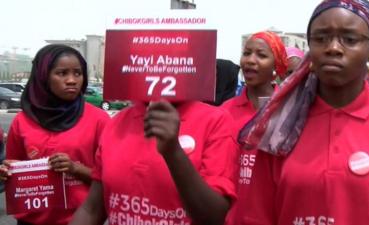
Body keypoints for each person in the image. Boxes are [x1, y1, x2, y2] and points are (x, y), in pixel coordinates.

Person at [238, 0, 369, 224]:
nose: (333, 47)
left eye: (350, 39)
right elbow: (258, 215)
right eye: (321, 38)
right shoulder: (280, 122)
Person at [69, 95, 239, 223]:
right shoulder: (118, 122)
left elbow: (214, 217)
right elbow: (92, 209)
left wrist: (173, 153)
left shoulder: (216, 121)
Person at [0, 44, 110, 225]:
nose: (72, 80)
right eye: (62, 73)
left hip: (81, 219)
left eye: (77, 73)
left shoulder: (99, 119)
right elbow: (14, 168)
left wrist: (75, 169)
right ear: (43, 77)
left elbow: (114, 179)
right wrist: (7, 172)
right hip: (31, 220)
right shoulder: (22, 121)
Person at [221, 30, 288, 225]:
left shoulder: (290, 112)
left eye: (261, 55)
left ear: (276, 65)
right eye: (247, 53)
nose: (250, 60)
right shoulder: (224, 113)